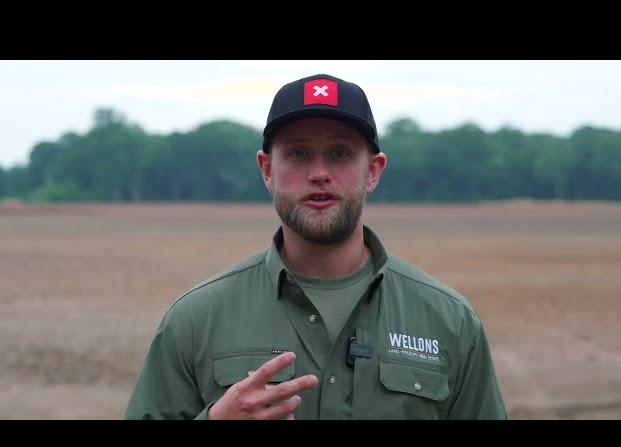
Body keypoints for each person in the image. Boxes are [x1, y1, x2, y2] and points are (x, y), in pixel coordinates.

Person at [125, 73, 507, 420]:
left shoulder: (451, 322)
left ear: (372, 171)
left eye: (340, 153)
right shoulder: (194, 320)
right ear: (266, 170)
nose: (319, 172)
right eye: (298, 153)